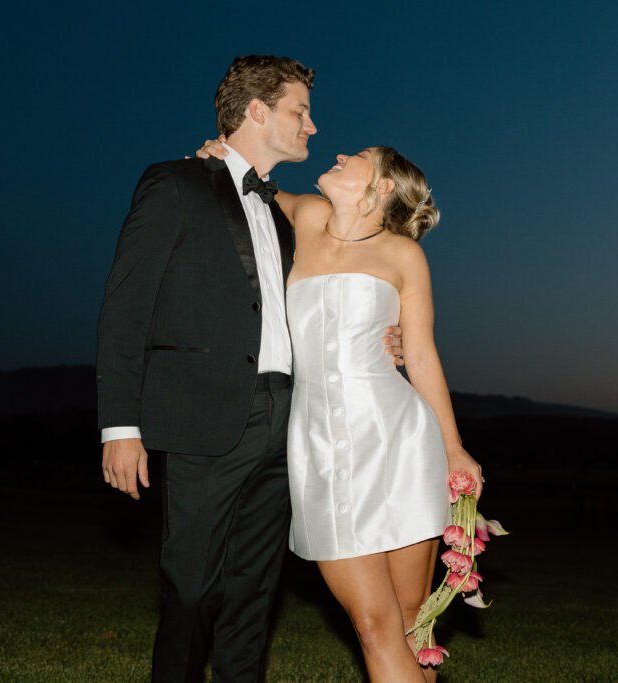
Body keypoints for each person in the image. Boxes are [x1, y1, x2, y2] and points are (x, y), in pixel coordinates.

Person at [96, 56, 402, 683]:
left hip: (288, 421)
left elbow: (331, 296)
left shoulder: (294, 216)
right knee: (190, 589)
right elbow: (126, 309)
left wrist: (382, 334)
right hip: (205, 418)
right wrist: (118, 427)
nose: (313, 127)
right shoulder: (174, 185)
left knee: (254, 597)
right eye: (301, 111)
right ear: (257, 111)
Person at [197, 140, 483, 682]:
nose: (338, 157)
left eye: (357, 157)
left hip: (398, 443)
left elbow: (419, 353)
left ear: (383, 187)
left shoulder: (403, 255)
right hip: (319, 451)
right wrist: (224, 151)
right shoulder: (307, 214)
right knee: (372, 625)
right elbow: (251, 179)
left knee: (405, 625)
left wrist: (453, 448)